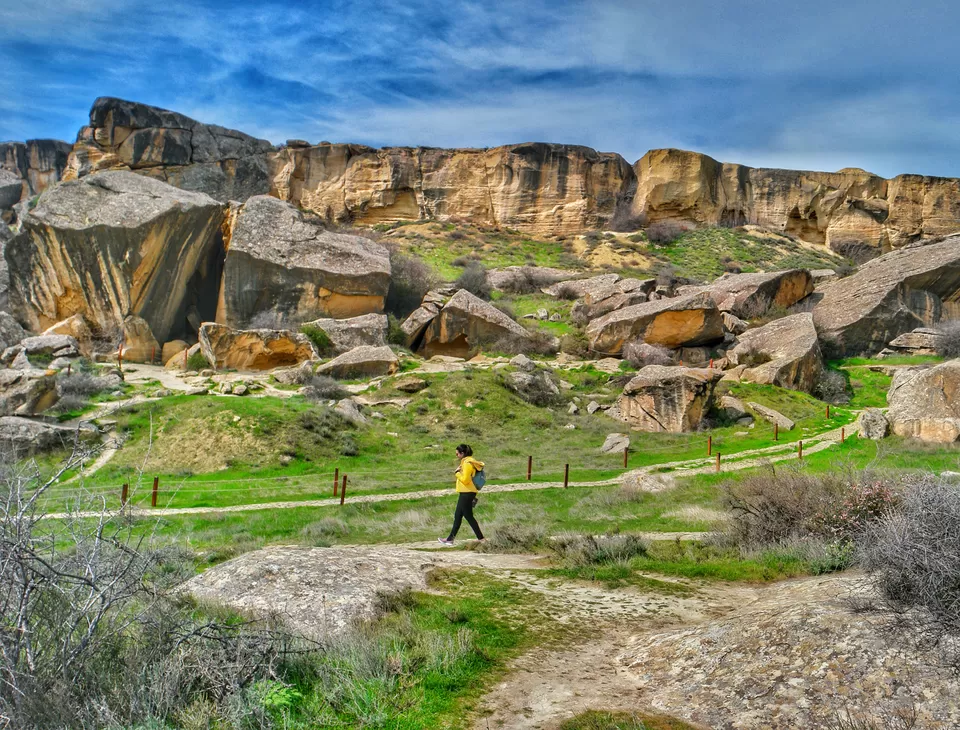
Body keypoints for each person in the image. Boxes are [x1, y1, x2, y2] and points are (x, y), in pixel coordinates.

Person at [438, 443, 484, 546]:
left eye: (457, 454)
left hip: (467, 492)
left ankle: (481, 539)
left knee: (468, 516)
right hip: (466, 492)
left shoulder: (467, 463)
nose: (456, 456)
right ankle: (450, 539)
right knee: (459, 515)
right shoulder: (469, 461)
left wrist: (457, 473)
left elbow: (466, 480)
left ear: (462, 453)